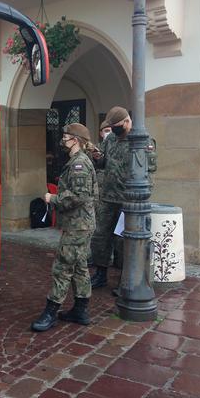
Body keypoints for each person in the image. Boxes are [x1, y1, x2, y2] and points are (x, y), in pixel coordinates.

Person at [31, 123, 98, 332]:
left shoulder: (79, 164)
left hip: (78, 225)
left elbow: (79, 196)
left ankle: (51, 311)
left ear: (75, 140)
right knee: (79, 267)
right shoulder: (79, 161)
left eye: (66, 137)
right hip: (79, 224)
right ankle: (81, 310)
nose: (63, 140)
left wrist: (53, 198)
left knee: (62, 266)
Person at [89, 106, 131, 289]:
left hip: (126, 200)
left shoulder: (141, 140)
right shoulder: (111, 139)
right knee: (100, 236)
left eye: (116, 125)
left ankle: (125, 280)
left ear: (127, 121)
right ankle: (100, 274)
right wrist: (97, 157)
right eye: (111, 126)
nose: (113, 129)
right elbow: (102, 162)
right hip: (108, 197)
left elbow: (149, 173)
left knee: (123, 242)